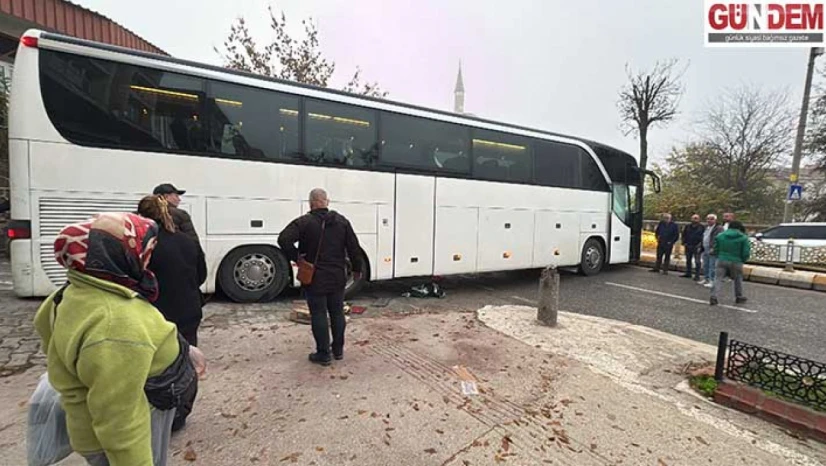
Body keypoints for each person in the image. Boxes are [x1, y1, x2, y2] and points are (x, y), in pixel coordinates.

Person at [32, 213, 205, 466]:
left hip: (91, 430)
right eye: (144, 249)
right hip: (128, 436)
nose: (148, 257)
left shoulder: (75, 293)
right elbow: (120, 418)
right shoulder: (116, 323)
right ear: (114, 255)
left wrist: (184, 349)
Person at [278, 188, 363, 366]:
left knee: (318, 314)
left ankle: (323, 354)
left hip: (314, 276)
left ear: (311, 203)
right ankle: (338, 350)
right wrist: (357, 269)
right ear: (327, 201)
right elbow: (354, 248)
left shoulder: (304, 222)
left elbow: (283, 239)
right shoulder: (342, 222)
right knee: (337, 312)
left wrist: (297, 258)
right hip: (337, 276)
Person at [138, 195, 207, 347]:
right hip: (189, 310)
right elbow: (201, 275)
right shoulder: (186, 240)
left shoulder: (141, 245)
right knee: (187, 360)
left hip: (155, 315)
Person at [710, 220, 750, 306]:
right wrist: (743, 259)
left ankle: (714, 296)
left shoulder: (720, 236)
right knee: (738, 279)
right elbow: (746, 252)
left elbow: (716, 248)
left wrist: (718, 255)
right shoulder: (743, 237)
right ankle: (738, 296)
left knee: (718, 278)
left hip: (722, 259)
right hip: (736, 260)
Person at [699, 214, 724, 287]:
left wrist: (714, 247)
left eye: (711, 219)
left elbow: (719, 239)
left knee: (712, 265)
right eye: (708, 219)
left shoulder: (719, 228)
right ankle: (706, 278)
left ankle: (712, 280)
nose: (709, 220)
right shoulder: (707, 227)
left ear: (715, 220)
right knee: (705, 264)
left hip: (712, 249)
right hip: (705, 248)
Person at [681, 214, 704, 280]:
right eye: (693, 218)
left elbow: (703, 237)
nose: (694, 220)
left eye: (696, 218)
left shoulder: (702, 227)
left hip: (697, 246)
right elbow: (684, 234)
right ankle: (688, 273)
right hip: (688, 245)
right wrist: (684, 242)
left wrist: (700, 245)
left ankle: (697, 275)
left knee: (697, 261)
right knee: (688, 260)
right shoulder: (688, 226)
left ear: (699, 219)